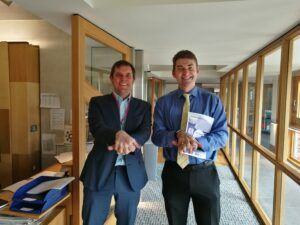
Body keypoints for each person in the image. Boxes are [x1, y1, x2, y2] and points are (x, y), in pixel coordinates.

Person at [152, 50, 228, 225]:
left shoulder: (212, 101)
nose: (185, 72)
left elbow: (222, 135)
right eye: (180, 68)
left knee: (209, 221)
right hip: (174, 172)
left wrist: (199, 142)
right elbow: (156, 136)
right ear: (173, 73)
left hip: (205, 172)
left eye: (190, 67)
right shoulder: (163, 103)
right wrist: (176, 136)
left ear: (197, 71)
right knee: (175, 221)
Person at [80, 60, 151, 225]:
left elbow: (145, 131)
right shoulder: (97, 103)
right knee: (92, 221)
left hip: (130, 173)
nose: (123, 79)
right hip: (100, 171)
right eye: (119, 75)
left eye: (128, 75)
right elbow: (97, 128)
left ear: (133, 79)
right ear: (111, 78)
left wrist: (130, 140)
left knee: (127, 221)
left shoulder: (144, 107)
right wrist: (118, 134)